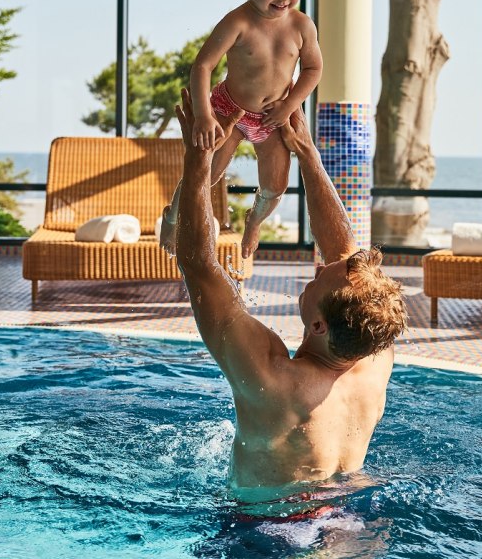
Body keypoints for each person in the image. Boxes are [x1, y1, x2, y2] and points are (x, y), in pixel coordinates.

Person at [171, 88, 407, 500]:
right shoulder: (375, 354)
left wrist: (199, 161)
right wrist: (307, 152)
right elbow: (343, 250)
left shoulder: (273, 379)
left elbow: (198, 265)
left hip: (264, 527)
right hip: (345, 515)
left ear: (318, 325)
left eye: (320, 279)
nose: (318, 267)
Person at [160, 0, 323, 259]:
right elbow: (202, 66)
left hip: (273, 117)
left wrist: (289, 105)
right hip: (228, 109)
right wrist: (204, 115)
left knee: (275, 185)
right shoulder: (238, 22)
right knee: (204, 172)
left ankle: (254, 221)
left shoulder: (302, 26)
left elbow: (313, 69)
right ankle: (173, 218)